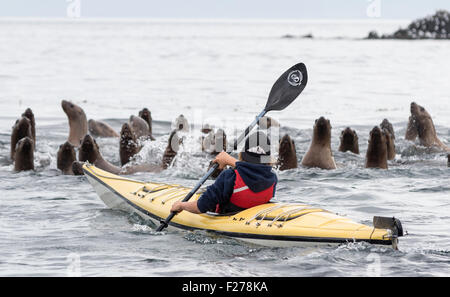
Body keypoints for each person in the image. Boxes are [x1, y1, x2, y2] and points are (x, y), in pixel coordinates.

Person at [170, 131, 278, 214]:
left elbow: (200, 207)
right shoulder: (272, 178)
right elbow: (255, 172)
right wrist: (229, 160)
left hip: (228, 218)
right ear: (268, 159)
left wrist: (181, 206)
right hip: (252, 217)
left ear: (242, 155)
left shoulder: (230, 176)